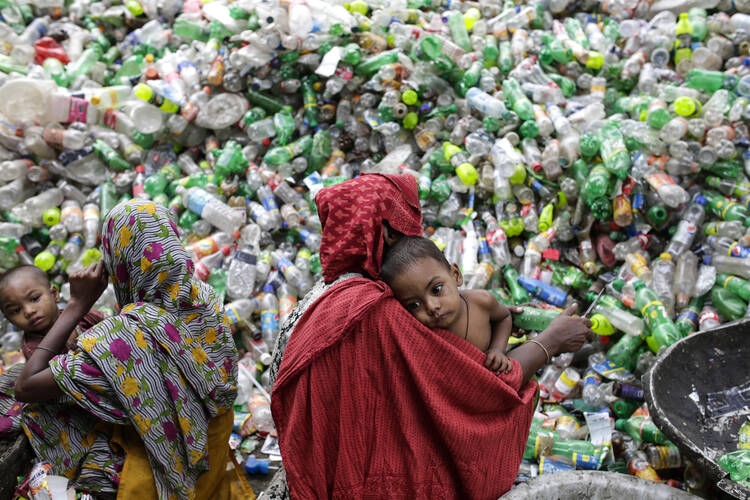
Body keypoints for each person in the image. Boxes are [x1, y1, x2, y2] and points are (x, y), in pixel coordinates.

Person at [269, 173, 591, 500]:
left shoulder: (322, 298)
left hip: (303, 477)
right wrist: (550, 341)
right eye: (406, 221)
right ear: (386, 231)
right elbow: (478, 388)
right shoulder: (379, 313)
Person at [13, 200, 251, 500]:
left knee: (36, 409)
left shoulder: (123, 336)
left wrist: (76, 306)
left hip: (164, 480)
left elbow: (26, 386)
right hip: (212, 456)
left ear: (118, 263)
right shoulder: (202, 298)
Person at [381, 235, 514, 373]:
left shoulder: (481, 301)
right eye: (414, 305)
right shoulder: (422, 334)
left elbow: (504, 318)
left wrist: (497, 349)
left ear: (455, 275)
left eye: (436, 289)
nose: (432, 307)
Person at [0, 266, 105, 437]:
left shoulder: (79, 314)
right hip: (71, 396)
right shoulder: (33, 347)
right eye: (16, 310)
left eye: (34, 298)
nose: (29, 311)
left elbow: (105, 324)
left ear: (54, 294)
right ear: (9, 319)